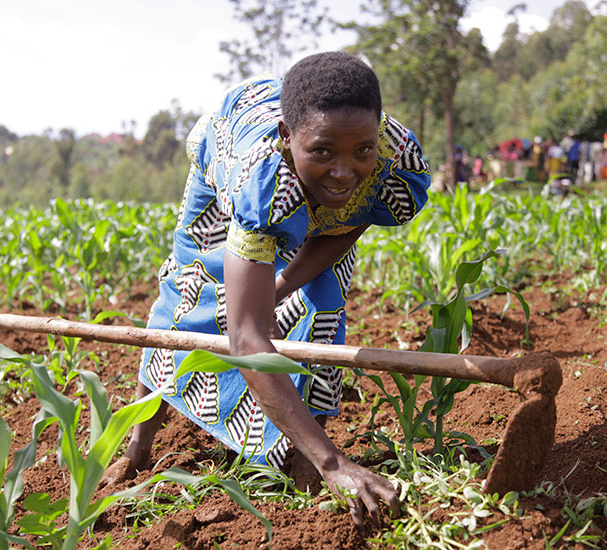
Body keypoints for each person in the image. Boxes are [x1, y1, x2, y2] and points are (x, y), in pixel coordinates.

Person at [101, 52, 430, 528]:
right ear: (287, 138)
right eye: (322, 152)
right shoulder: (257, 177)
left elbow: (350, 220)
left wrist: (280, 286)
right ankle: (139, 444)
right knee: (190, 294)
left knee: (325, 299)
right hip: (228, 143)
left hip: (298, 184)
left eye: (361, 150)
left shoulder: (395, 162)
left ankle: (305, 459)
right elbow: (246, 340)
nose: (343, 171)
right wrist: (338, 463)